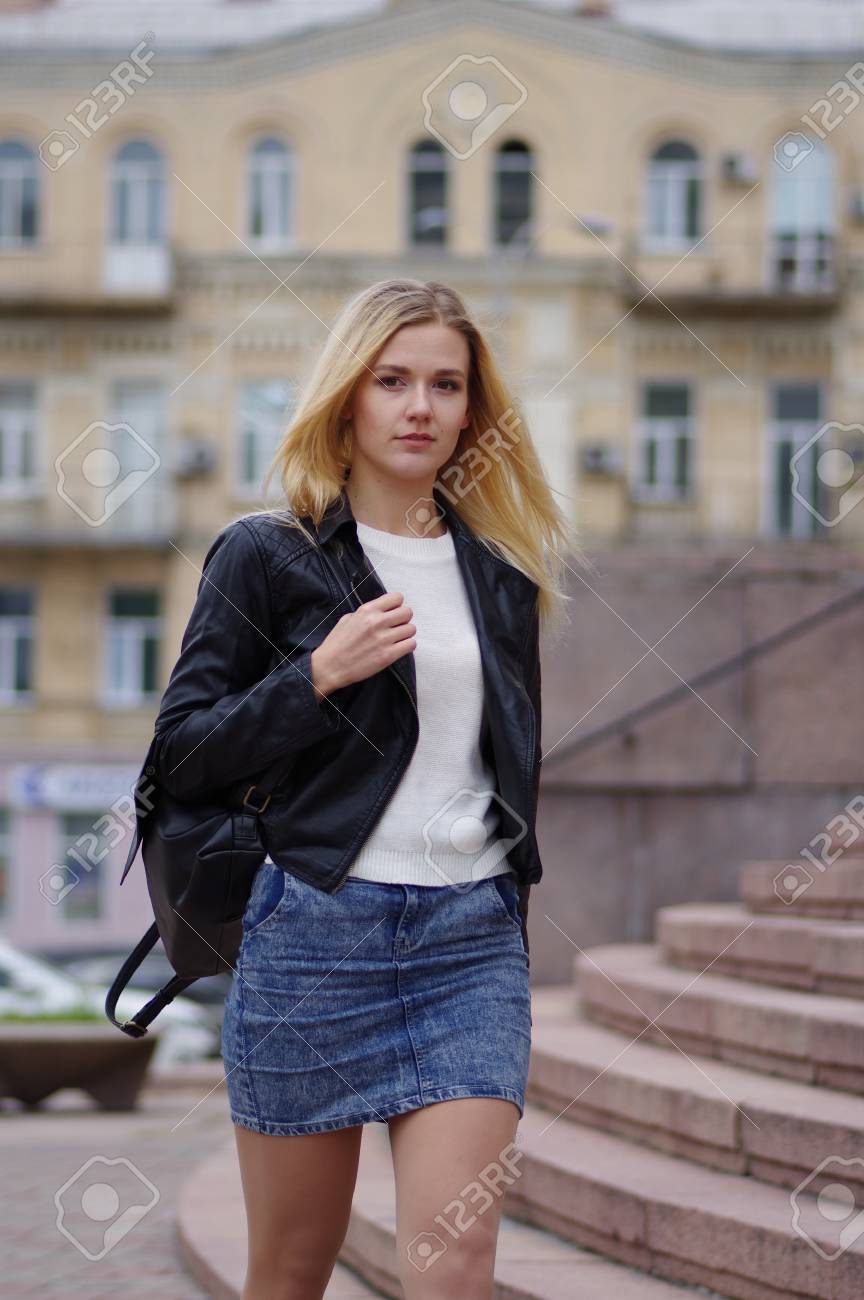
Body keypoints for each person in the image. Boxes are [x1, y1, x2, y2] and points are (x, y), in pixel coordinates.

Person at [152, 279, 583, 1299]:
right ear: (349, 396)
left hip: (467, 948)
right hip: (313, 937)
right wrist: (315, 677)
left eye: (446, 384)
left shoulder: (503, 579)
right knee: (293, 1270)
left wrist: (507, 893)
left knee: (455, 1260)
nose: (419, 406)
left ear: (475, 411)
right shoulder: (267, 555)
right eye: (392, 380)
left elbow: (501, 763)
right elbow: (181, 753)